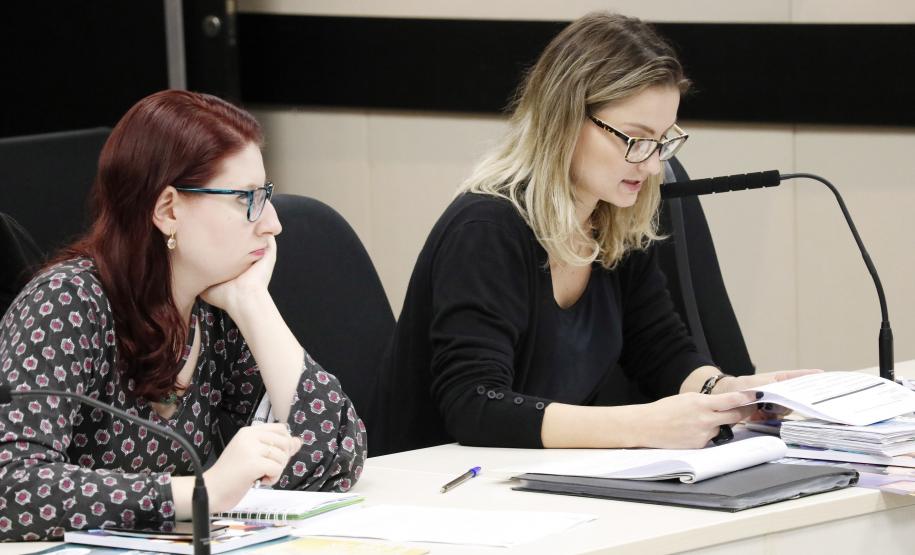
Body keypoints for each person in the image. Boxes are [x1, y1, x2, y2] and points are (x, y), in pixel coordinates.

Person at [372, 12, 811, 456]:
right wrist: (642, 424)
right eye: (635, 139)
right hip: (434, 489)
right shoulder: (486, 230)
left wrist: (729, 393)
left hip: (530, 483)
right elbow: (473, 405)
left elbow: (660, 352)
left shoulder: (614, 219)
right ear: (565, 119)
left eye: (663, 141)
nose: (653, 165)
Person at [0, 90, 365, 541]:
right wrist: (199, 493)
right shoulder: (66, 304)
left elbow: (337, 456)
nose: (273, 222)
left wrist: (254, 303)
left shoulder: (212, 310)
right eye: (246, 198)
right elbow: (11, 487)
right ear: (168, 209)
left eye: (265, 195)